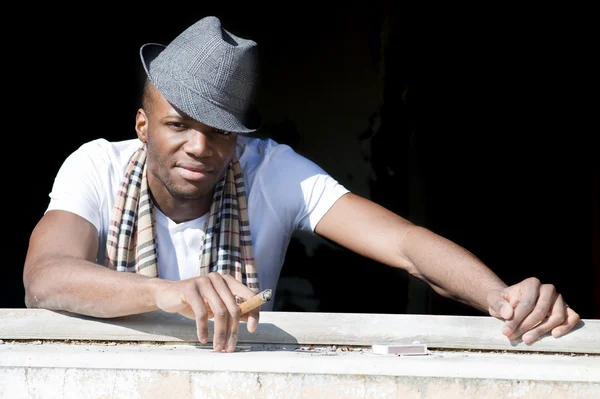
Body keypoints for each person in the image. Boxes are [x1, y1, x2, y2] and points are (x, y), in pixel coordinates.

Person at [23, 15, 580, 353]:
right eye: (178, 125)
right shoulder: (96, 165)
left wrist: (500, 298)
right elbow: (44, 277)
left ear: (239, 139)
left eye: (220, 133)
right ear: (142, 125)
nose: (199, 147)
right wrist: (166, 293)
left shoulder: (272, 171)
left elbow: (406, 245)